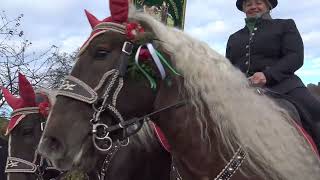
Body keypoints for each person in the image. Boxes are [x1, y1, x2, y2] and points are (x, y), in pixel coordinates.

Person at [226, 0, 320, 153]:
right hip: (243, 90)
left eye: (259, 3)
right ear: (243, 9)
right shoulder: (234, 37)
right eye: (248, 4)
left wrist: (267, 75)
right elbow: (228, 66)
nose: (253, 7)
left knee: (315, 111)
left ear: (268, 6)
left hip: (284, 86)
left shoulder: (285, 25)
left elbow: (295, 56)